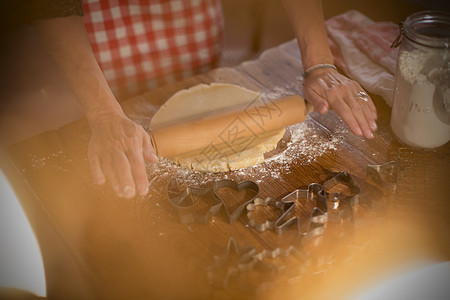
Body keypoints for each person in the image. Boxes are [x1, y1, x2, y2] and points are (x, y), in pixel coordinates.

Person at [25, 0, 377, 199]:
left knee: (196, 84)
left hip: (185, 14)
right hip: (103, 22)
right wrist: (104, 114)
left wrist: (318, 61)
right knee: (122, 110)